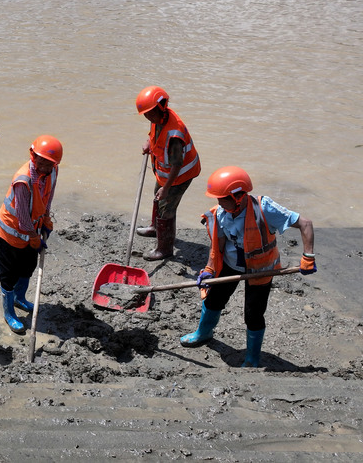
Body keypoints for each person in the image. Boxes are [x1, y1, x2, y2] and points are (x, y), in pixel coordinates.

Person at [179, 166, 316, 368]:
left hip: (261, 270)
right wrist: (209, 269)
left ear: (238, 196)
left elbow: (305, 224)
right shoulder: (220, 213)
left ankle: (252, 358)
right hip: (230, 266)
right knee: (213, 300)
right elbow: (218, 247)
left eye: (222, 198)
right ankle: (203, 333)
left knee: (253, 315)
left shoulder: (264, 208)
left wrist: (308, 257)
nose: (218, 202)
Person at [0, 135, 61, 334]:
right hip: (11, 233)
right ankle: (9, 313)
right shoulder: (23, 181)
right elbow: (23, 218)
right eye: (41, 160)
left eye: (49, 163)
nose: (45, 165)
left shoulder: (54, 172)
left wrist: (47, 220)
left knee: (28, 267)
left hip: (34, 228)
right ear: (33, 155)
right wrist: (34, 238)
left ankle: (19, 298)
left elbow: (48, 197)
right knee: (8, 274)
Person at [134, 86, 201, 261]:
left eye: (150, 113)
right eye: (146, 114)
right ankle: (155, 228)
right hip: (166, 173)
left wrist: (167, 188)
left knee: (167, 208)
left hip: (180, 175)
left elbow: (177, 165)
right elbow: (155, 133)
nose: (148, 117)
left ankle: (164, 249)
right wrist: (149, 142)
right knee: (158, 196)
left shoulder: (174, 135)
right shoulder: (158, 117)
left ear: (161, 107)